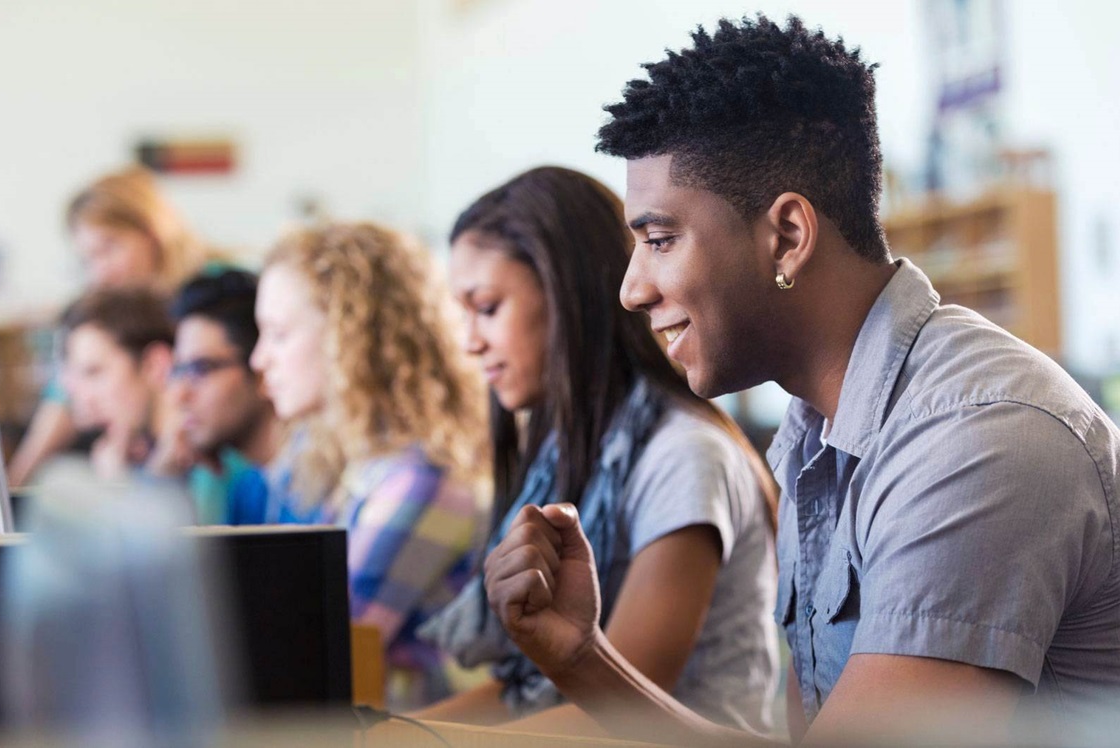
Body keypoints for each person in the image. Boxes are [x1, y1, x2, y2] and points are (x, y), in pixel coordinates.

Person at [482, 15, 1120, 747]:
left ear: (787, 234)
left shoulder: (977, 441)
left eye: (660, 241)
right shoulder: (816, 434)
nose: (632, 289)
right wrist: (583, 658)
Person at [414, 166, 779, 735]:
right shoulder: (565, 450)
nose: (469, 341)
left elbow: (615, 712)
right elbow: (524, 697)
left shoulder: (684, 455)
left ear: (568, 295)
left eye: (486, 307)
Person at [249, 221, 488, 706]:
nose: (258, 359)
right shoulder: (351, 463)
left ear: (347, 337)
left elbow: (318, 649)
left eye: (277, 335)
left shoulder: (423, 480)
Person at [8, 167, 208, 487]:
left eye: (109, 248)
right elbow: (61, 401)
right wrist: (11, 489)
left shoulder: (207, 299)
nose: (100, 272)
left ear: (153, 233)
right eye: (88, 259)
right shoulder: (113, 312)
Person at [154, 269, 284, 524]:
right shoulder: (250, 491)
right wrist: (163, 479)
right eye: (179, 371)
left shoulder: (318, 494)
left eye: (201, 369)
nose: (179, 395)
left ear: (260, 369)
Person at [58, 287, 176, 481]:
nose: (85, 401)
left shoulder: (206, 465)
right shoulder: (152, 458)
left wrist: (116, 488)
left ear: (155, 365)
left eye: (94, 372)